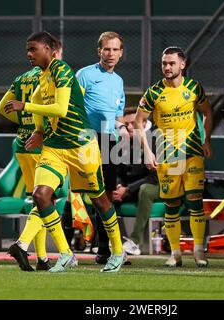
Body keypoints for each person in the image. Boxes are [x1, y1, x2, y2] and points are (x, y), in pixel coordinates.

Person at [4, 31, 126, 273]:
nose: (29, 54)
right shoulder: (43, 77)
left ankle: (118, 251)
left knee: (100, 200)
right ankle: (66, 253)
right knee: (40, 196)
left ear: (49, 50)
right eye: (27, 50)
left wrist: (23, 105)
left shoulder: (62, 70)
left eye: (33, 49)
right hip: (55, 147)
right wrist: (39, 131)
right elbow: (42, 107)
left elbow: (59, 108)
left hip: (83, 145)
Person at [134, 46, 213, 267]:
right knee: (172, 205)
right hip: (166, 155)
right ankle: (175, 254)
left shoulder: (194, 87)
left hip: (192, 153)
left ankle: (199, 251)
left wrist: (206, 140)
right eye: (164, 63)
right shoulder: (154, 92)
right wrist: (148, 152)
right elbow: (138, 123)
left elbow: (207, 112)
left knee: (195, 201)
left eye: (171, 63)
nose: (167, 67)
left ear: (182, 64)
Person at [0, 36, 63, 271]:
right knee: (47, 200)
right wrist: (40, 128)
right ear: (53, 52)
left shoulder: (21, 79)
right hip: (42, 144)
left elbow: (1, 108)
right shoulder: (49, 77)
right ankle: (23, 246)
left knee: (38, 200)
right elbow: (54, 108)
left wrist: (23, 122)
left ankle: (42, 259)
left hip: (21, 144)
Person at [74, 31, 126, 264]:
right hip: (86, 139)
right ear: (99, 51)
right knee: (76, 194)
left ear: (121, 53)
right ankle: (68, 250)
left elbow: (117, 115)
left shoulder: (119, 81)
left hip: (109, 141)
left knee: (106, 196)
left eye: (115, 49)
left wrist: (123, 127)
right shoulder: (84, 75)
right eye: (107, 49)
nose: (111, 54)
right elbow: (72, 108)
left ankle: (105, 250)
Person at [114, 106, 159, 255]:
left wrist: (127, 189)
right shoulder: (123, 141)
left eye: (133, 123)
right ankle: (109, 242)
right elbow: (119, 170)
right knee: (109, 191)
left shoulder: (156, 139)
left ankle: (134, 241)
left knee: (145, 189)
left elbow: (154, 177)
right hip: (132, 188)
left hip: (157, 186)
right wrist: (119, 186)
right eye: (126, 124)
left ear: (144, 124)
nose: (129, 127)